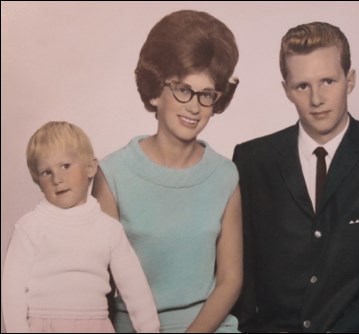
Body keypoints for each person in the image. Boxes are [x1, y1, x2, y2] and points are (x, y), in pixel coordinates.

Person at [232, 22, 359, 333]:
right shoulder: (251, 160)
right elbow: (241, 273)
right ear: (286, 90)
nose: (316, 98)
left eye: (328, 81)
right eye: (302, 86)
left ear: (351, 80)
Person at [91, 10, 242, 333]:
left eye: (206, 95)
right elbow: (96, 283)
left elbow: (230, 280)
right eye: (183, 89)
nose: (194, 106)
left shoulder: (225, 175)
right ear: (155, 90)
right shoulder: (113, 173)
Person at [1, 121, 159, 333]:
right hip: (43, 325)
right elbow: (12, 290)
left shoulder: (109, 229)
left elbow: (135, 287)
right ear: (36, 180)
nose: (58, 178)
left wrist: (149, 329)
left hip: (96, 325)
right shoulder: (30, 227)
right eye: (46, 172)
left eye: (65, 166)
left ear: (90, 167)